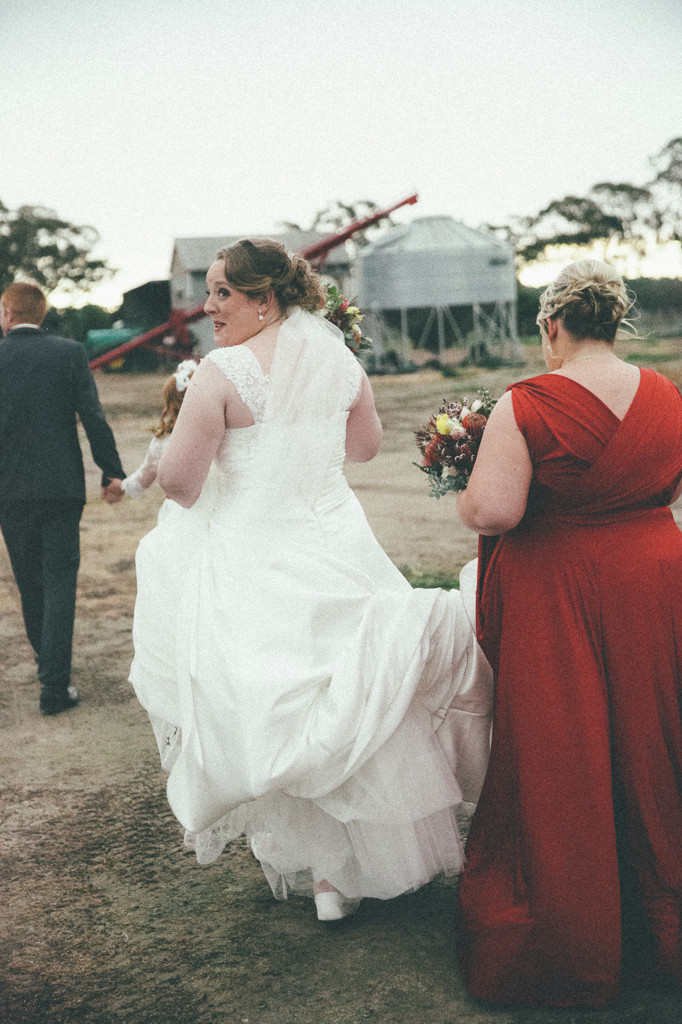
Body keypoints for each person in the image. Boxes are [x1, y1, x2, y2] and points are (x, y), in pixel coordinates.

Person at [129, 238, 493, 921]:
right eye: (210, 293)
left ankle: (328, 878)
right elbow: (364, 449)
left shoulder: (220, 373)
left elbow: (180, 484)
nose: (209, 307)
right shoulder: (341, 360)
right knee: (352, 698)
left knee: (277, 707)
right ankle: (340, 875)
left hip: (253, 556)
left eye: (223, 293)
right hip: (337, 546)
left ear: (264, 300)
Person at [455, 259, 682, 1006]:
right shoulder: (666, 392)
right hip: (654, 581)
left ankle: (577, 929)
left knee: (566, 742)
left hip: (560, 591)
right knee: (652, 735)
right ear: (614, 322)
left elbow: (496, 512)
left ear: (552, 325)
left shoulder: (527, 401)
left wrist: (463, 492)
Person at [0, 282, 126, 715]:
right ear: (42, 313)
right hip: (61, 487)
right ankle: (54, 683)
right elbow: (93, 416)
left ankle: (49, 667)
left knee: (30, 583)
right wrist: (111, 470)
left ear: (8, 313)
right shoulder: (69, 353)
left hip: (10, 491)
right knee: (59, 582)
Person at [104, 360, 198, 508]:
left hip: (178, 509)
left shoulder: (164, 441)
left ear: (171, 404)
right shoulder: (216, 433)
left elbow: (144, 476)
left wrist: (121, 486)